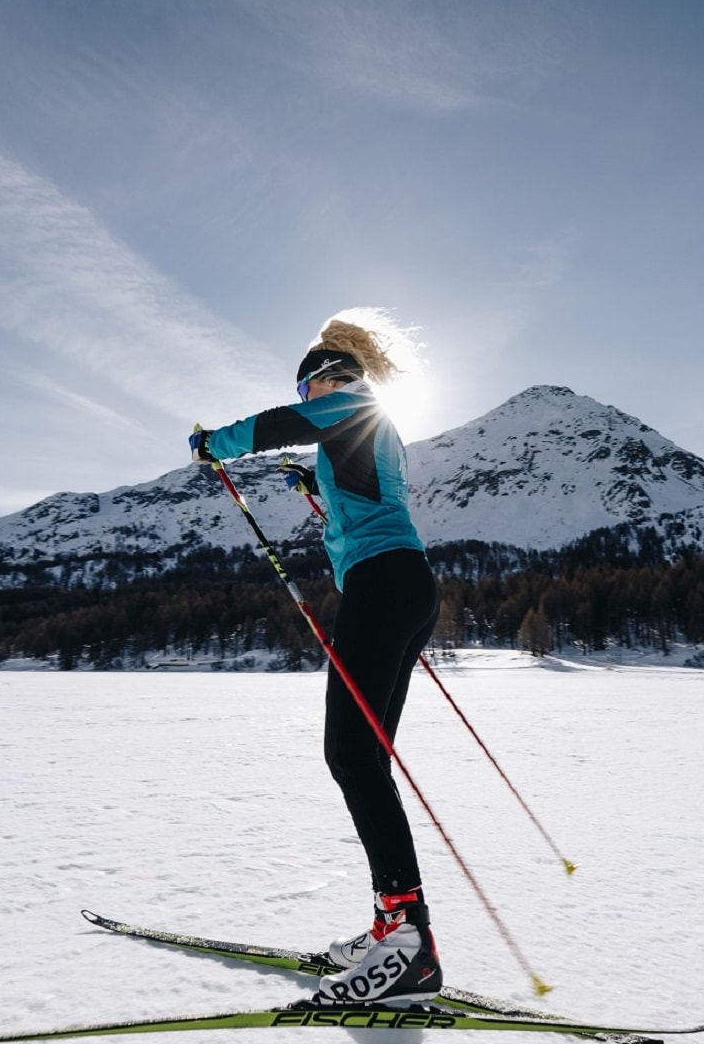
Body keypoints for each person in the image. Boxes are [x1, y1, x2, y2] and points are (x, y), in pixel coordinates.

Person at [189, 314, 442, 1007]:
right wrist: (318, 490)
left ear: (329, 379)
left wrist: (216, 444)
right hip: (401, 583)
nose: (309, 399)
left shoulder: (350, 403)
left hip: (382, 588)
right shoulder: (364, 431)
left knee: (351, 757)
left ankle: (408, 944)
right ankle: (394, 926)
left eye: (310, 387)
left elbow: (276, 425)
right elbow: (366, 503)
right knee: (366, 757)